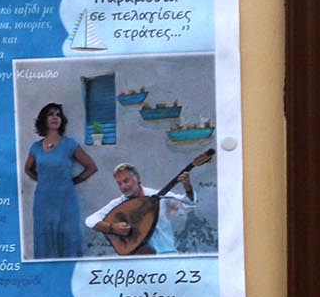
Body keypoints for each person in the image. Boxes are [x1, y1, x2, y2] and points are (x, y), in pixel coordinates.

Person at [23, 103, 98, 259]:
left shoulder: (70, 144)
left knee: (68, 236)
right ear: (44, 119)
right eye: (51, 114)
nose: (55, 117)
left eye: (58, 115)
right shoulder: (36, 147)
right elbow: (28, 169)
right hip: (43, 200)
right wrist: (42, 180)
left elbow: (91, 167)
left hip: (65, 199)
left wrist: (73, 181)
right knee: (45, 236)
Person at [85, 161, 194, 255]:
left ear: (138, 178)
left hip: (167, 255)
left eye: (126, 181)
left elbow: (187, 204)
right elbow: (90, 220)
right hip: (139, 260)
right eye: (119, 183)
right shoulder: (118, 204)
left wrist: (188, 188)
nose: (123, 186)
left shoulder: (159, 197)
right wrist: (112, 228)